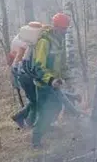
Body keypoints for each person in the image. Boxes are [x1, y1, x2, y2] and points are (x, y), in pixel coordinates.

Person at [28, 12, 70, 147]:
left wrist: (65, 77)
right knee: (44, 112)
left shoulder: (59, 40)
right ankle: (36, 141)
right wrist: (50, 80)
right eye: (63, 28)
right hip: (43, 84)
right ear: (56, 27)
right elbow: (38, 67)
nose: (65, 31)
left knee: (57, 107)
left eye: (66, 28)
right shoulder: (44, 42)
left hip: (54, 83)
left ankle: (47, 126)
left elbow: (61, 62)